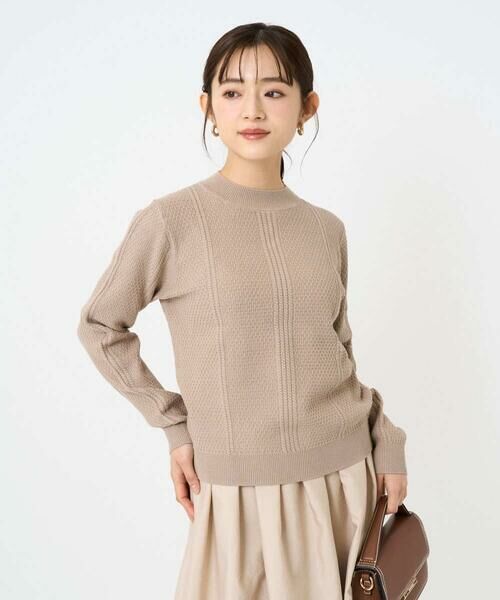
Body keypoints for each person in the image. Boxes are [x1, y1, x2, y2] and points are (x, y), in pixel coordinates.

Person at [77, 22, 408, 600]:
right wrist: (173, 424)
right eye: (232, 92)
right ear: (207, 107)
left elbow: (337, 353)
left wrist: (389, 442)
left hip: (348, 479)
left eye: (274, 91)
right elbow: (101, 326)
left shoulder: (326, 230)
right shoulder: (171, 221)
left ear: (307, 108)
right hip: (237, 491)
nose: (252, 109)